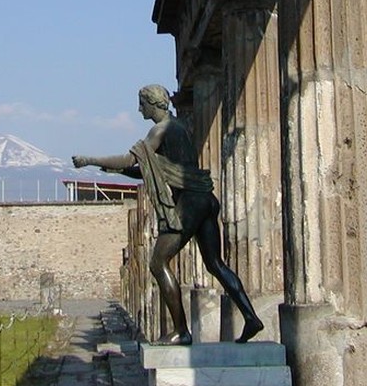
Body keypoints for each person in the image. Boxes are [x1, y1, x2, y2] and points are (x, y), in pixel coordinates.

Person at [72, 84, 264, 345]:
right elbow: (150, 170)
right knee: (215, 264)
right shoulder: (179, 128)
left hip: (191, 202)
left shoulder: (161, 129)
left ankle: (181, 331)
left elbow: (131, 160)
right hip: (206, 198)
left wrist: (91, 160)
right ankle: (251, 317)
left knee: (158, 263)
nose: (140, 109)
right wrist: (114, 172)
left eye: (142, 104)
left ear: (153, 103)